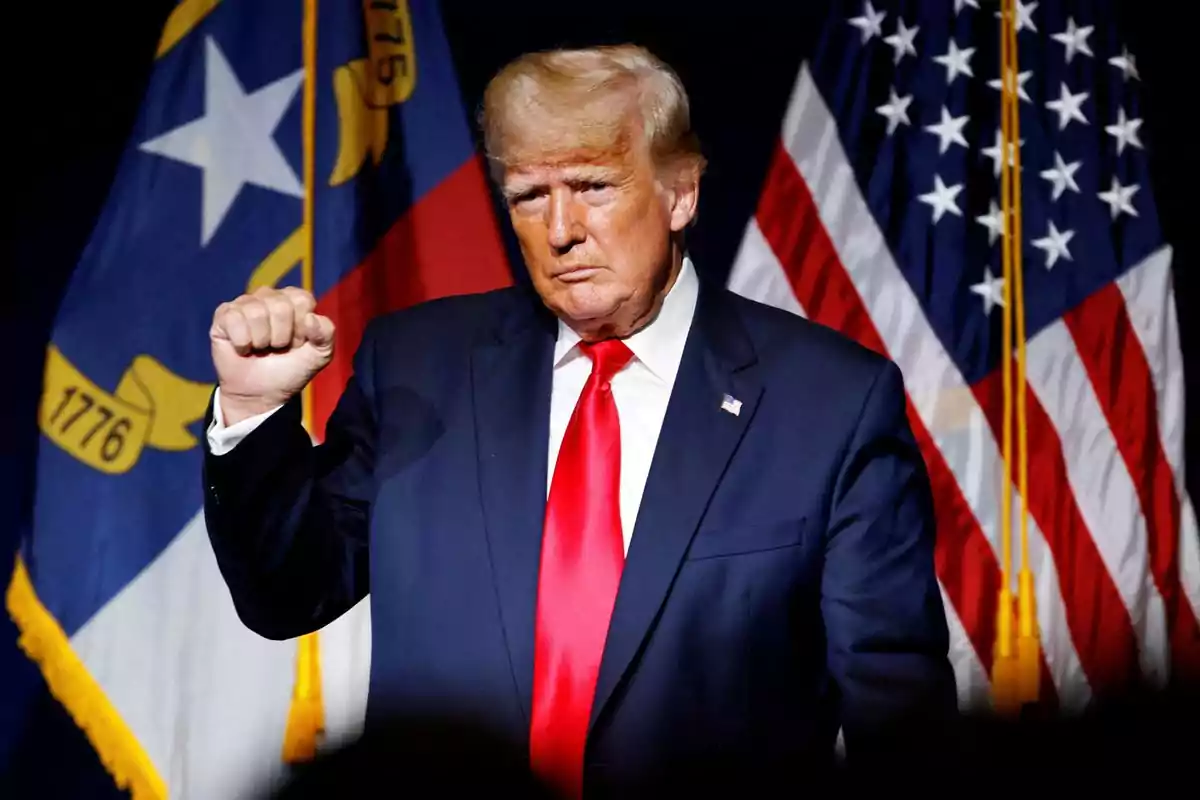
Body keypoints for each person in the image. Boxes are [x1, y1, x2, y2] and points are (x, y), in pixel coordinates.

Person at [204, 44, 956, 799]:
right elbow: (287, 594)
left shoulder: (830, 405)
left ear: (681, 193)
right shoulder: (416, 368)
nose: (560, 229)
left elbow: (898, 718)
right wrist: (253, 412)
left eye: (593, 186)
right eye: (529, 195)